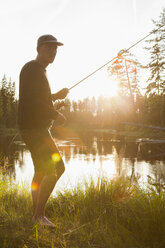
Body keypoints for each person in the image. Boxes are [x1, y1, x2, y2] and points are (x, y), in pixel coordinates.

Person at [18, 34, 69, 227]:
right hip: (35, 129)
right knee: (57, 167)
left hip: (33, 129)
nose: (53, 52)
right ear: (38, 49)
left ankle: (36, 215)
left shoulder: (39, 71)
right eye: (49, 48)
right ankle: (38, 216)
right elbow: (34, 101)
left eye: (55, 49)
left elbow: (41, 97)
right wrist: (56, 115)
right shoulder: (33, 68)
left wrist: (56, 96)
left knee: (40, 171)